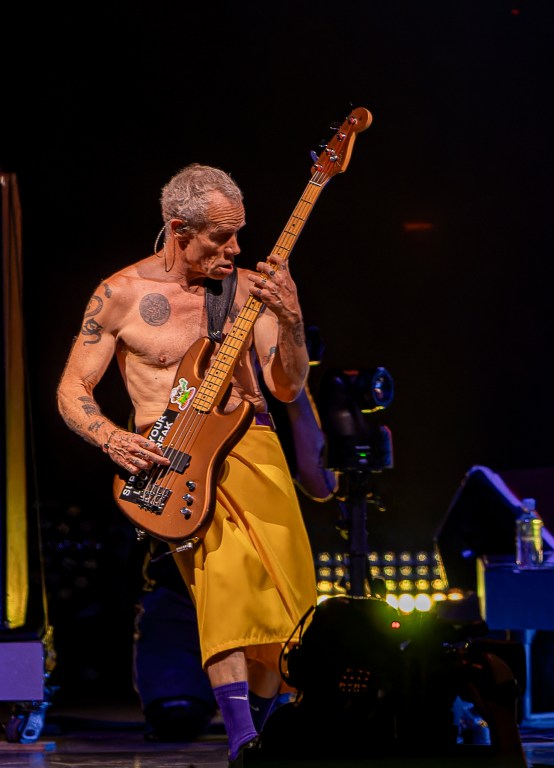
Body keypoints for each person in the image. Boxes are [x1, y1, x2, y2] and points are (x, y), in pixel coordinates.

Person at [55, 165, 318, 761]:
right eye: (220, 237)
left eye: (239, 233)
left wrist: (293, 319)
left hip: (254, 451)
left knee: (286, 602)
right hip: (177, 464)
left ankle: (271, 734)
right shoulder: (120, 294)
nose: (236, 249)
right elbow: (72, 388)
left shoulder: (249, 291)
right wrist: (110, 438)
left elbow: (286, 385)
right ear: (179, 230)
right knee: (226, 588)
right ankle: (242, 738)